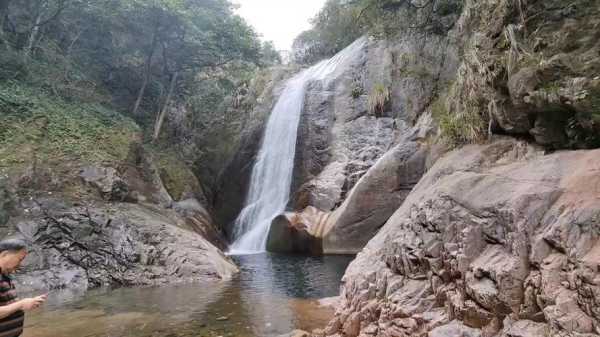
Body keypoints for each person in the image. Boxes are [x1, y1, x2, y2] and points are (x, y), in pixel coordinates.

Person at [0, 238, 46, 337]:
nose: (20, 264)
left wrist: (29, 303)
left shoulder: (4, 275)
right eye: (19, 259)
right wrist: (21, 304)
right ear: (4, 254)